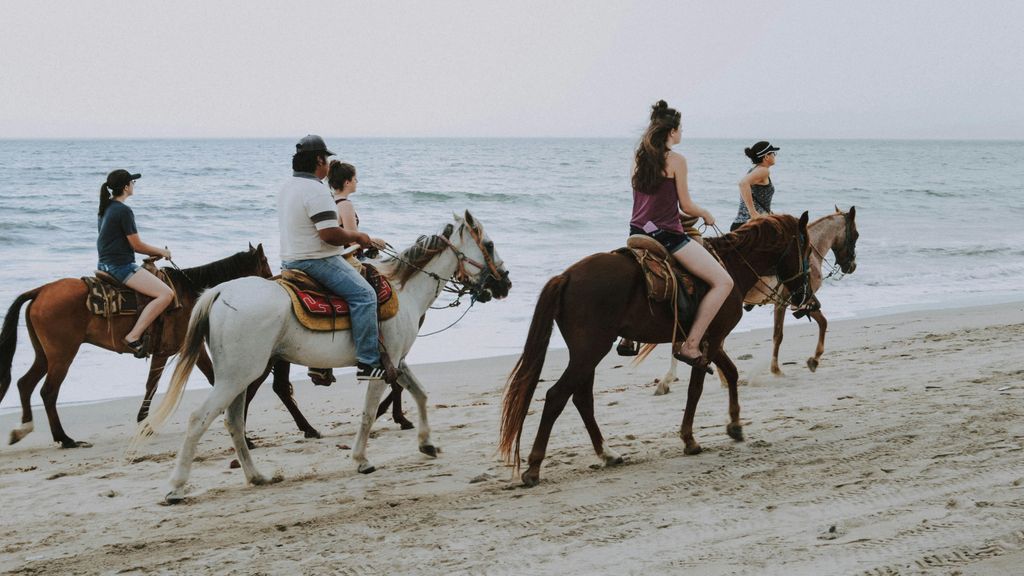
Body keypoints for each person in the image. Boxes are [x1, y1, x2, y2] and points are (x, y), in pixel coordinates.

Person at [629, 101, 733, 368]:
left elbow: (648, 203)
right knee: (723, 283)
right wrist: (705, 213)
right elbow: (686, 205)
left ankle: (628, 338)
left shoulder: (638, 158)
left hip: (637, 231)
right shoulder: (676, 160)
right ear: (672, 131)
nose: (681, 133)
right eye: (680, 129)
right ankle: (691, 345)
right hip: (666, 236)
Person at [278, 135, 385, 380]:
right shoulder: (315, 189)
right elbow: (329, 234)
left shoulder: (287, 186)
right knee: (365, 295)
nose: (327, 164)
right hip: (316, 260)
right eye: (326, 158)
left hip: (289, 260)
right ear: (318, 160)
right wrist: (359, 237)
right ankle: (369, 363)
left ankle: (321, 361)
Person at [304, 160, 388, 386]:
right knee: (371, 293)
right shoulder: (346, 205)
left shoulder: (330, 201)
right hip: (347, 258)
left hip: (332, 256)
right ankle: (370, 355)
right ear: (348, 182)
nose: (357, 182)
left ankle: (321, 359)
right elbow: (352, 236)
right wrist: (374, 242)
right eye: (356, 178)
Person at [96, 169, 175, 358]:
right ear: (125, 187)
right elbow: (136, 245)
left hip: (104, 264)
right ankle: (133, 335)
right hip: (120, 266)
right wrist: (161, 251)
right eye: (133, 182)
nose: (134, 185)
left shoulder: (106, 207)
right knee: (166, 294)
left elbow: (115, 242)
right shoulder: (123, 211)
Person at [731, 141, 779, 231]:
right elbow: (743, 184)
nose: (775, 156)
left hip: (742, 224)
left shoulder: (755, 170)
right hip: (751, 227)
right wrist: (753, 213)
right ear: (766, 157)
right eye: (773, 153)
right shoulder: (763, 171)